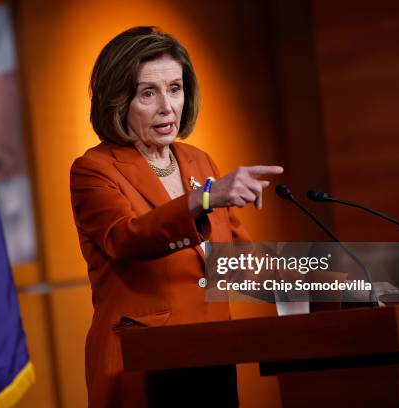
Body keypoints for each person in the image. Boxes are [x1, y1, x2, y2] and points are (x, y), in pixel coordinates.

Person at [70, 26, 283, 407]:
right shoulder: (94, 170)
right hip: (143, 365)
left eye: (175, 88)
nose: (167, 106)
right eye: (148, 93)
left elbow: (240, 262)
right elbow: (127, 237)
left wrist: (344, 290)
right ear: (118, 101)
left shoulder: (198, 161)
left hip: (211, 359)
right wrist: (204, 199)